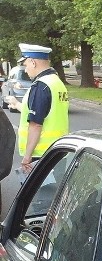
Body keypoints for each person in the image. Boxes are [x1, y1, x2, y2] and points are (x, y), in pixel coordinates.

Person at [3, 43, 69, 175]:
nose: (26, 70)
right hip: (58, 150)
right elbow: (47, 113)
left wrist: (27, 156)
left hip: (40, 154)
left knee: (38, 194)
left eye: (26, 65)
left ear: (33, 62)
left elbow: (36, 124)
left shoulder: (41, 86)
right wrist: (17, 105)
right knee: (53, 193)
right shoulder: (56, 82)